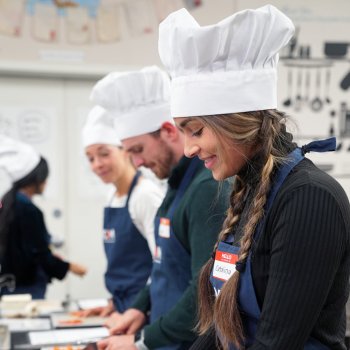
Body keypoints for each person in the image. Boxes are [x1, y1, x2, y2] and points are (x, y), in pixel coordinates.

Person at [157, 5, 350, 350]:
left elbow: (275, 343)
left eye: (197, 130)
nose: (188, 149)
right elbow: (220, 329)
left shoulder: (308, 198)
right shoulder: (247, 193)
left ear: (236, 121)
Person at [90, 66, 230, 349]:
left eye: (138, 150)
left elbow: (208, 289)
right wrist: (139, 309)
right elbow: (163, 265)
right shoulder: (176, 184)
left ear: (167, 131)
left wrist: (142, 342)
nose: (137, 163)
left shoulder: (205, 188)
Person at [80, 105, 164, 315]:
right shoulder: (112, 196)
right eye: (90, 158)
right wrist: (113, 304)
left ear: (126, 152)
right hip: (123, 306)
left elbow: (161, 264)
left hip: (146, 309)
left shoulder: (145, 196)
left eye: (104, 154)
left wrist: (136, 309)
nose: (97, 164)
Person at [0, 135, 87, 299]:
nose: (46, 183)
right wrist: (69, 267)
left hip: (8, 284)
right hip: (26, 287)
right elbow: (39, 253)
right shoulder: (28, 209)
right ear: (37, 179)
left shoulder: (7, 201)